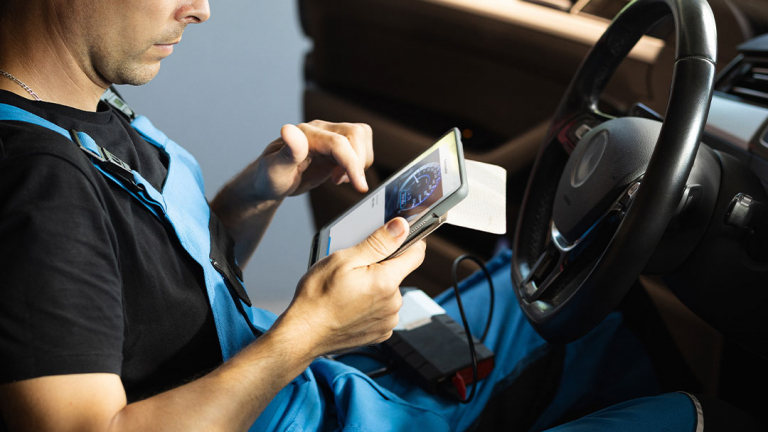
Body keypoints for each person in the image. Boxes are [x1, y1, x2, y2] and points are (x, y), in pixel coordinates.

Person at [0, 0, 740, 431]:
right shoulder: (36, 183)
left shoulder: (80, 110)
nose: (201, 7)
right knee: (686, 414)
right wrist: (309, 336)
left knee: (546, 291)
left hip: (303, 383)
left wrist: (260, 189)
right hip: (302, 401)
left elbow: (153, 297)